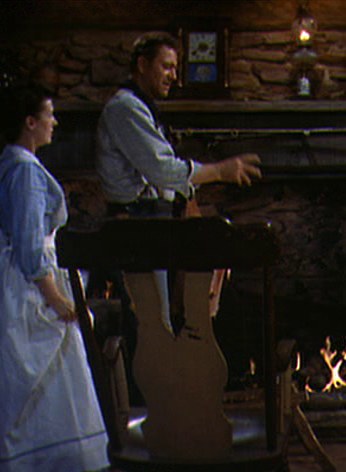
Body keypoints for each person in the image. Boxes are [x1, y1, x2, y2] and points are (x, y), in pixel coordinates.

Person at [0, 84, 110, 472]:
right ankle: (38, 465)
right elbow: (28, 244)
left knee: (25, 379)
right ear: (30, 122)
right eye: (49, 114)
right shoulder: (25, 170)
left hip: (13, 279)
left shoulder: (8, 162)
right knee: (35, 377)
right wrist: (55, 297)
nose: (54, 122)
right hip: (28, 284)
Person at [94, 31, 261, 338]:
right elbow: (161, 169)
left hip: (151, 223)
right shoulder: (125, 108)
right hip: (135, 225)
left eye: (175, 68)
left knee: (158, 321)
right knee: (150, 324)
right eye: (166, 66)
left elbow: (165, 174)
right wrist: (220, 171)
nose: (173, 76)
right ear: (142, 65)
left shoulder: (142, 108)